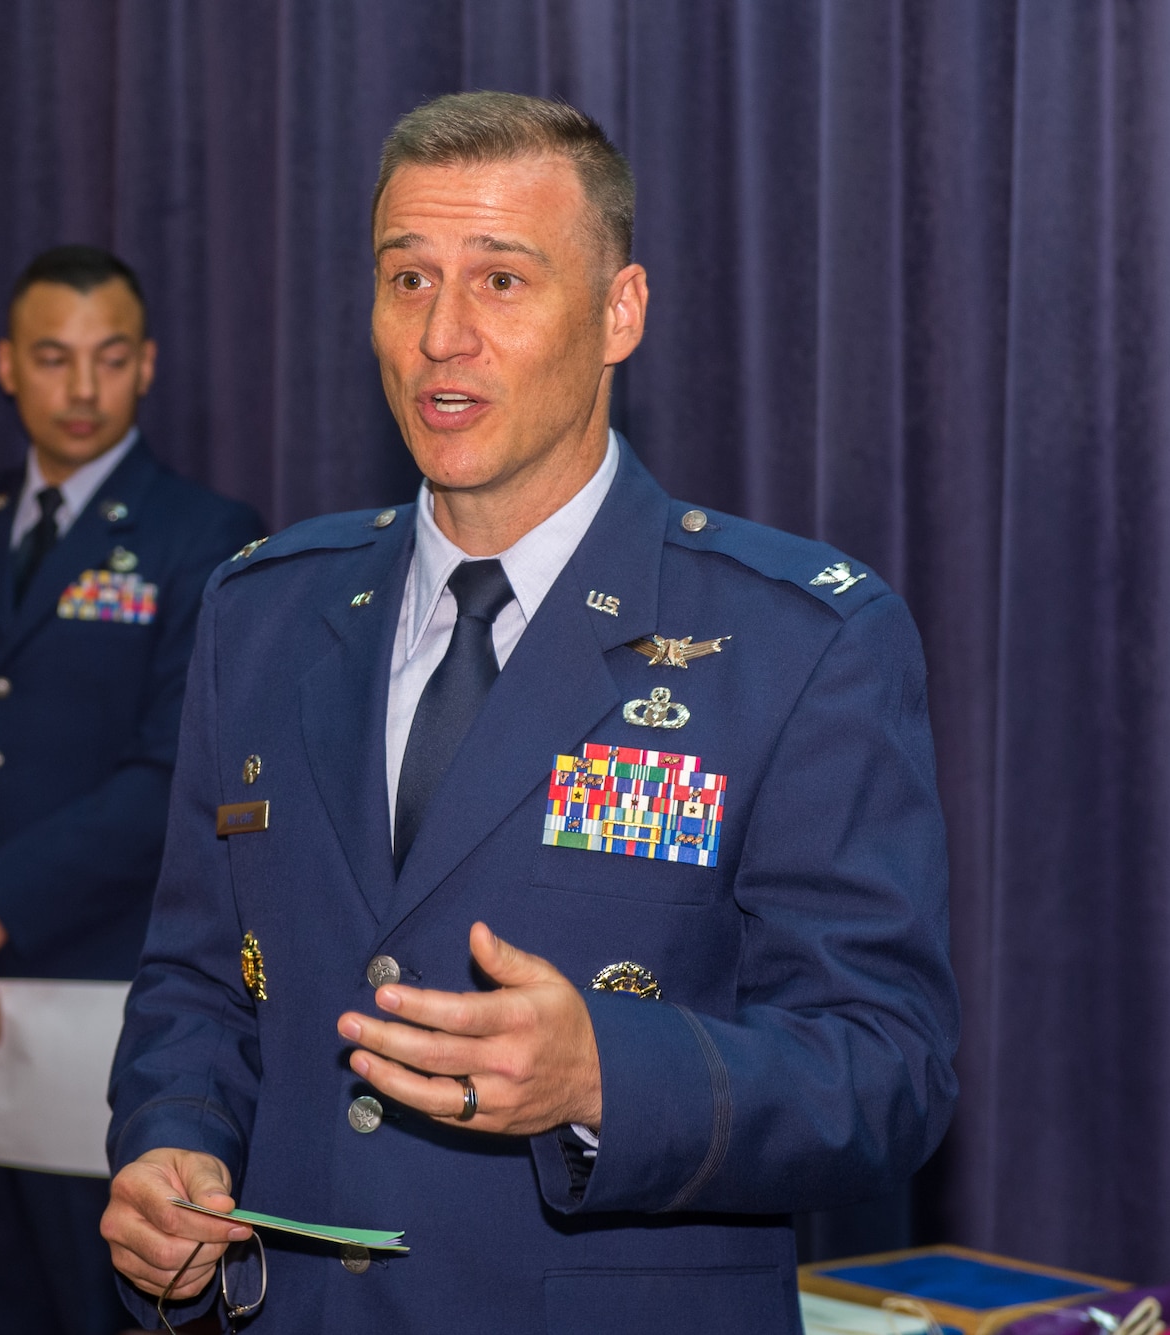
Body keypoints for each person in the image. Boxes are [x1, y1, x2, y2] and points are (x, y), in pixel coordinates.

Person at [101, 92, 961, 1330]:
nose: (443, 334)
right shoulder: (263, 613)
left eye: (501, 281)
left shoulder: (798, 639)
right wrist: (171, 1147)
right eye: (407, 279)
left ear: (619, 313)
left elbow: (889, 1070)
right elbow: (198, 981)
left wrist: (606, 1078)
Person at [0, 244, 265, 1334]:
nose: (81, 389)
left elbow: (175, 771)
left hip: (105, 998)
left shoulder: (207, 537)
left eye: (109, 358)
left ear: (147, 367)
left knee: (100, 1299)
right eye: (52, 358)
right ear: (5, 367)